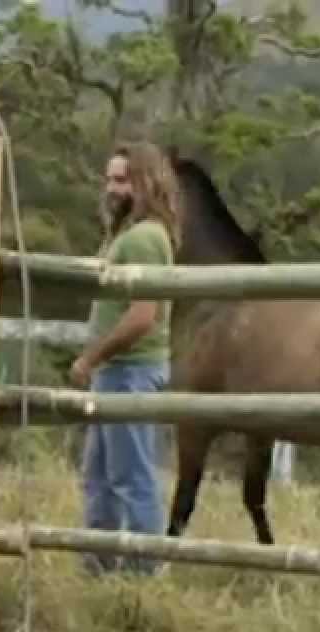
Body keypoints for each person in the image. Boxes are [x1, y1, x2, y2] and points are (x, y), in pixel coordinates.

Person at [69, 141, 182, 576]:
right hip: (118, 371)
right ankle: (99, 566)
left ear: (145, 183)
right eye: (109, 179)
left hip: (130, 370)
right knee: (101, 476)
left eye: (122, 180)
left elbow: (142, 317)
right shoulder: (129, 235)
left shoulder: (145, 238)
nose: (111, 188)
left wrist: (90, 358)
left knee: (132, 477)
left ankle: (143, 572)